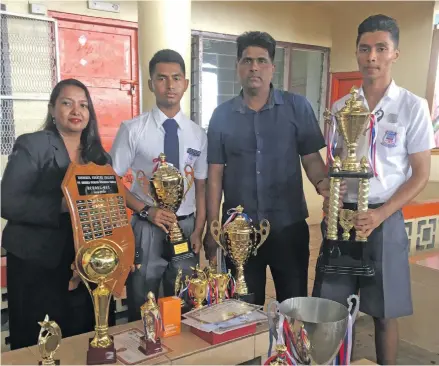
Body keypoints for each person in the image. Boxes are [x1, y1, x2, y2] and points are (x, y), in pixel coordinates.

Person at [312, 15, 435, 365]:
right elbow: (335, 163)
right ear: (356, 53)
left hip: (385, 216)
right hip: (342, 218)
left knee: (384, 310)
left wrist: (381, 213)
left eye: (381, 48)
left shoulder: (412, 107)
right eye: (365, 49)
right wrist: (327, 190)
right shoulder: (341, 108)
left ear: (395, 53)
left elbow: (420, 174)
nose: (372, 57)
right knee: (332, 308)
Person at [204, 31, 331, 306]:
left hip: (289, 227)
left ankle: (292, 351)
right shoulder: (221, 116)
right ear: (237, 66)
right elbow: (215, 173)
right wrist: (213, 229)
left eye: (262, 61)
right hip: (239, 234)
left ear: (273, 67)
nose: (254, 67)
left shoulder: (297, 107)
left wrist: (325, 188)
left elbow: (311, 158)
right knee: (242, 309)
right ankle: (254, 351)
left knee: (294, 306)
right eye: (247, 60)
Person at [1, 79, 113, 350]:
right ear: (52, 110)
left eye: (83, 105)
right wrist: (62, 206)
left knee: (80, 334)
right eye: (67, 103)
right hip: (36, 261)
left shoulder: (99, 157)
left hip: (83, 263)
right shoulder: (33, 145)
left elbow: (108, 206)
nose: (77, 110)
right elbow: (7, 202)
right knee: (38, 337)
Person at [110, 49, 207, 321]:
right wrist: (145, 210)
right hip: (147, 226)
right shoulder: (132, 129)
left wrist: (199, 228)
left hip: (186, 227)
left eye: (176, 78)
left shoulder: (197, 134)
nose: (170, 85)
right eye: (162, 78)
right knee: (144, 297)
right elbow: (112, 179)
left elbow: (200, 185)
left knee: (186, 299)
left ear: (186, 83)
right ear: (151, 84)